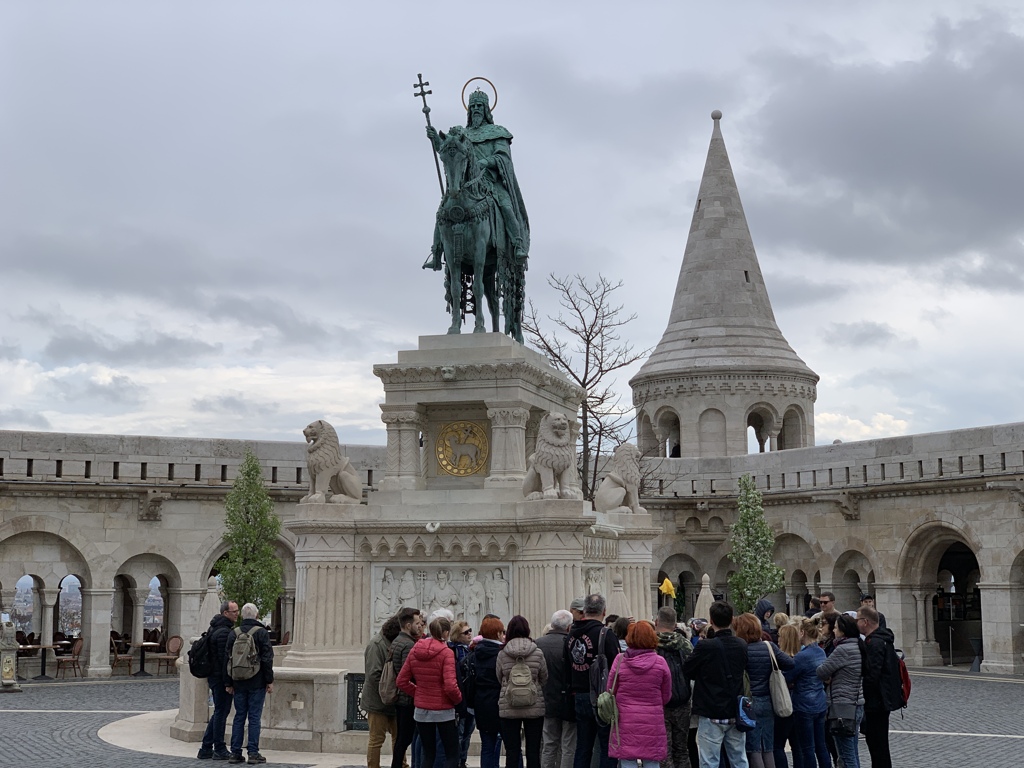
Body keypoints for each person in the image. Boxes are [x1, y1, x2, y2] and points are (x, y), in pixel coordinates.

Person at [424, 89, 530, 270]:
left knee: (505, 205)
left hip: (490, 182)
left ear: (487, 109)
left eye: (480, 106)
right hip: (465, 184)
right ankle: (437, 253)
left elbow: (503, 158)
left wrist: (484, 162)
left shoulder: (498, 132)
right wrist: (436, 141)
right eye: (473, 106)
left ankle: (517, 244)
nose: (476, 109)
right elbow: (449, 152)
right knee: (443, 209)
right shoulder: (461, 134)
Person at [682, 600, 749, 768]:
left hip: (711, 709)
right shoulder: (741, 645)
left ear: (711, 621)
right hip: (735, 709)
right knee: (739, 759)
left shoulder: (705, 646)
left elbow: (687, 670)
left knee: (709, 761)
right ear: (732, 619)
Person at [397, 616, 462, 768]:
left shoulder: (415, 650)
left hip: (421, 710)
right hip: (443, 709)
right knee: (452, 754)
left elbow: (401, 681)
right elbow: (451, 686)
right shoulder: (446, 653)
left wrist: (419, 692)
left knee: (428, 754)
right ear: (445, 633)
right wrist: (458, 700)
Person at [608, 621, 672, 768]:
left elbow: (610, 689)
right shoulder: (660, 662)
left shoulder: (619, 661)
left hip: (625, 719)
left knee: (627, 760)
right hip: (652, 719)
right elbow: (666, 695)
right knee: (652, 761)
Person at [734, 612, 794, 768]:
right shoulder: (769, 646)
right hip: (768, 700)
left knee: (754, 748)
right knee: (768, 746)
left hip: (749, 702)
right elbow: (789, 663)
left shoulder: (741, 650)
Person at [569, 593, 620, 768]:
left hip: (579, 695)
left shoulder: (571, 634)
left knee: (583, 747)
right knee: (607, 747)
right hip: (602, 697)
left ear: (585, 610)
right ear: (604, 612)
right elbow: (616, 667)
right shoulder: (605, 634)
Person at [225, 603, 274, 765]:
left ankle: (235, 753)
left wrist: (229, 682)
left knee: (239, 716)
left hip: (238, 681)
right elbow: (267, 659)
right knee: (254, 717)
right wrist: (269, 680)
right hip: (257, 681)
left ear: (242, 616)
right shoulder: (261, 633)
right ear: (257, 615)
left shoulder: (234, 633)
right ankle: (253, 753)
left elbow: (227, 660)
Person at [496, 615, 548, 768]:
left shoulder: (502, 653)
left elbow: (499, 677)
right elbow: (544, 677)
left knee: (512, 751)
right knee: (533, 751)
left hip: (509, 706)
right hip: (534, 705)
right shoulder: (537, 652)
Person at [816, 614, 865, 768]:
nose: (834, 631)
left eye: (836, 628)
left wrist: (829, 677)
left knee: (845, 754)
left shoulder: (843, 649)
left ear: (843, 631)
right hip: (856, 703)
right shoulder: (859, 645)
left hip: (842, 705)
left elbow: (821, 671)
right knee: (852, 750)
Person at [858, 606, 902, 768]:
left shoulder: (875, 642)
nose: (856, 623)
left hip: (877, 701)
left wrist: (865, 696)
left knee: (877, 743)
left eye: (858, 620)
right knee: (878, 742)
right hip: (882, 699)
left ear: (866, 622)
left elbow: (872, 674)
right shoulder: (883, 639)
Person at [783, 619, 831, 768]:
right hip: (819, 701)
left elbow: (787, 677)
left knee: (807, 748)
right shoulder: (820, 651)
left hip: (804, 704)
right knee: (821, 745)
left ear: (802, 633)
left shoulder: (801, 657)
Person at [197, 600, 238, 760]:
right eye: (233, 611)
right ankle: (219, 748)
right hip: (220, 678)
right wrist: (228, 682)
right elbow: (224, 660)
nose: (236, 614)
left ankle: (206, 747)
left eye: (237, 611)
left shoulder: (216, 627)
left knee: (219, 712)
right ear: (225, 613)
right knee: (221, 712)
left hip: (215, 677)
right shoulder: (223, 632)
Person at [536, 609, 577, 768]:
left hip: (547, 699)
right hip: (568, 700)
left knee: (549, 743)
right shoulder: (571, 643)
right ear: (568, 627)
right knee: (568, 745)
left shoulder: (538, 643)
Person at [655, 606, 692, 768]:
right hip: (682, 701)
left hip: (659, 703)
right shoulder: (685, 644)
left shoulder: (650, 643)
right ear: (675, 624)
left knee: (664, 750)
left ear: (657, 621)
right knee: (682, 749)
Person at [363, 615, 402, 768]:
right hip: (377, 701)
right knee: (376, 739)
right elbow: (374, 675)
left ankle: (400, 764)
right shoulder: (376, 644)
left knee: (398, 738)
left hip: (393, 701)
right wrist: (391, 689)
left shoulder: (391, 643)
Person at [390, 607, 424, 768]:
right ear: (408, 625)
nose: (420, 625)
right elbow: (407, 673)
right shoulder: (408, 645)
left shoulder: (397, 640)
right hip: (407, 699)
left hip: (401, 698)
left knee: (402, 739)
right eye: (417, 623)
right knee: (405, 738)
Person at [474, 615, 507, 768]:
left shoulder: (475, 653)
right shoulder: (502, 654)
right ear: (498, 633)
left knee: (487, 746)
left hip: (482, 703)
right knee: (511, 746)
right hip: (501, 702)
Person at [772, 624, 801, 768]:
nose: (777, 639)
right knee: (797, 746)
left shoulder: (784, 661)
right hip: (799, 704)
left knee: (778, 745)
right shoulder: (801, 657)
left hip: (784, 704)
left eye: (779, 636)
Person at [450, 620, 476, 768]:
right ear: (457, 635)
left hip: (470, 698)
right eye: (466, 632)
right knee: (459, 733)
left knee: (467, 733)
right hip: (460, 698)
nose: (469, 634)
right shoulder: (452, 650)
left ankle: (462, 760)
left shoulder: (471, 650)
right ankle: (456, 761)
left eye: (470, 630)